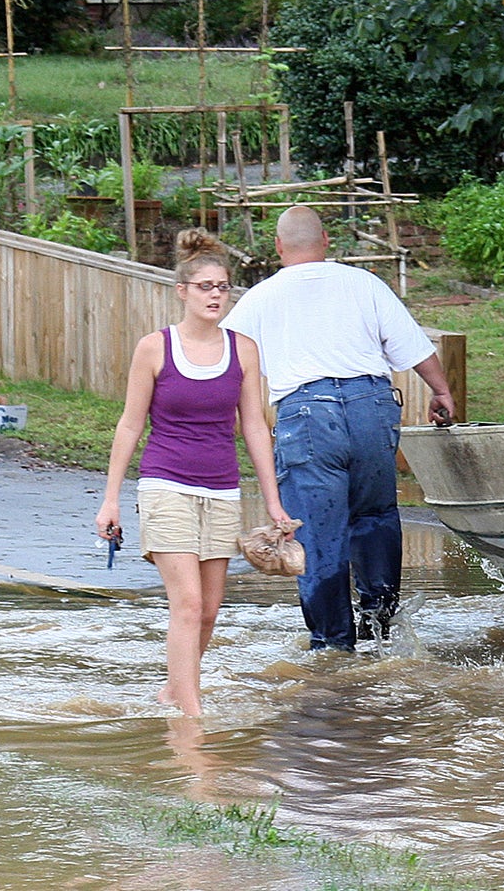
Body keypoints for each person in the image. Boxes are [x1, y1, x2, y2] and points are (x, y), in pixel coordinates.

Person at [223, 205, 456, 652]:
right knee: (375, 518)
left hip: (307, 415)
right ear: (326, 241)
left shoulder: (260, 297)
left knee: (315, 533)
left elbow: (226, 362)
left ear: (277, 247)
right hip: (372, 407)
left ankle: (333, 647)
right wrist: (441, 391)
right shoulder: (364, 284)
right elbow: (412, 346)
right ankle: (381, 628)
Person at [95, 230, 293, 716]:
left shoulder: (243, 349)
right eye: (205, 286)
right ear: (182, 291)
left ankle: (172, 691)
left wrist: (273, 503)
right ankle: (191, 713)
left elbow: (254, 427)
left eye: (223, 287)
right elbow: (129, 424)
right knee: (185, 605)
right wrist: (111, 499)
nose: (215, 295)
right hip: (165, 487)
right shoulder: (154, 348)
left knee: (207, 611)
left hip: (222, 491)